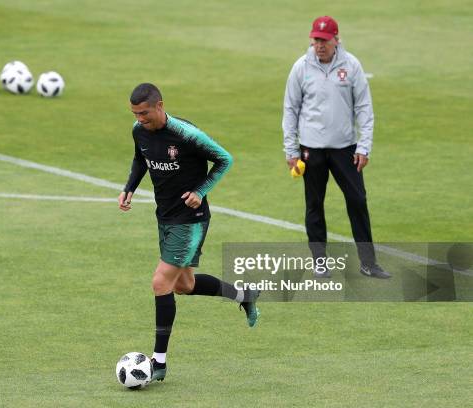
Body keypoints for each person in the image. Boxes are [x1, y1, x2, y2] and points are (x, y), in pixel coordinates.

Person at [119, 83, 260, 382]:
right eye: (135, 114)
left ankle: (158, 363)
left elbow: (225, 159)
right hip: (166, 216)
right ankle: (244, 295)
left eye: (144, 113)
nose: (139, 119)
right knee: (183, 284)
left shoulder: (186, 134)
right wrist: (129, 188)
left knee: (160, 282)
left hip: (191, 218)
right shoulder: (139, 131)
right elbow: (139, 159)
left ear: (159, 106)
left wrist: (201, 190)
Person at [282, 16, 390, 279]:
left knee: (357, 200)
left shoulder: (351, 65)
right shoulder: (301, 67)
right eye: (316, 40)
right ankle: (320, 261)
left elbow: (364, 108)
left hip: (345, 148)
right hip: (311, 149)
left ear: (336, 40)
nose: (319, 45)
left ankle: (368, 263)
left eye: (324, 40)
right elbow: (290, 109)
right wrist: (291, 150)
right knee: (314, 204)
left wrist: (364, 147)